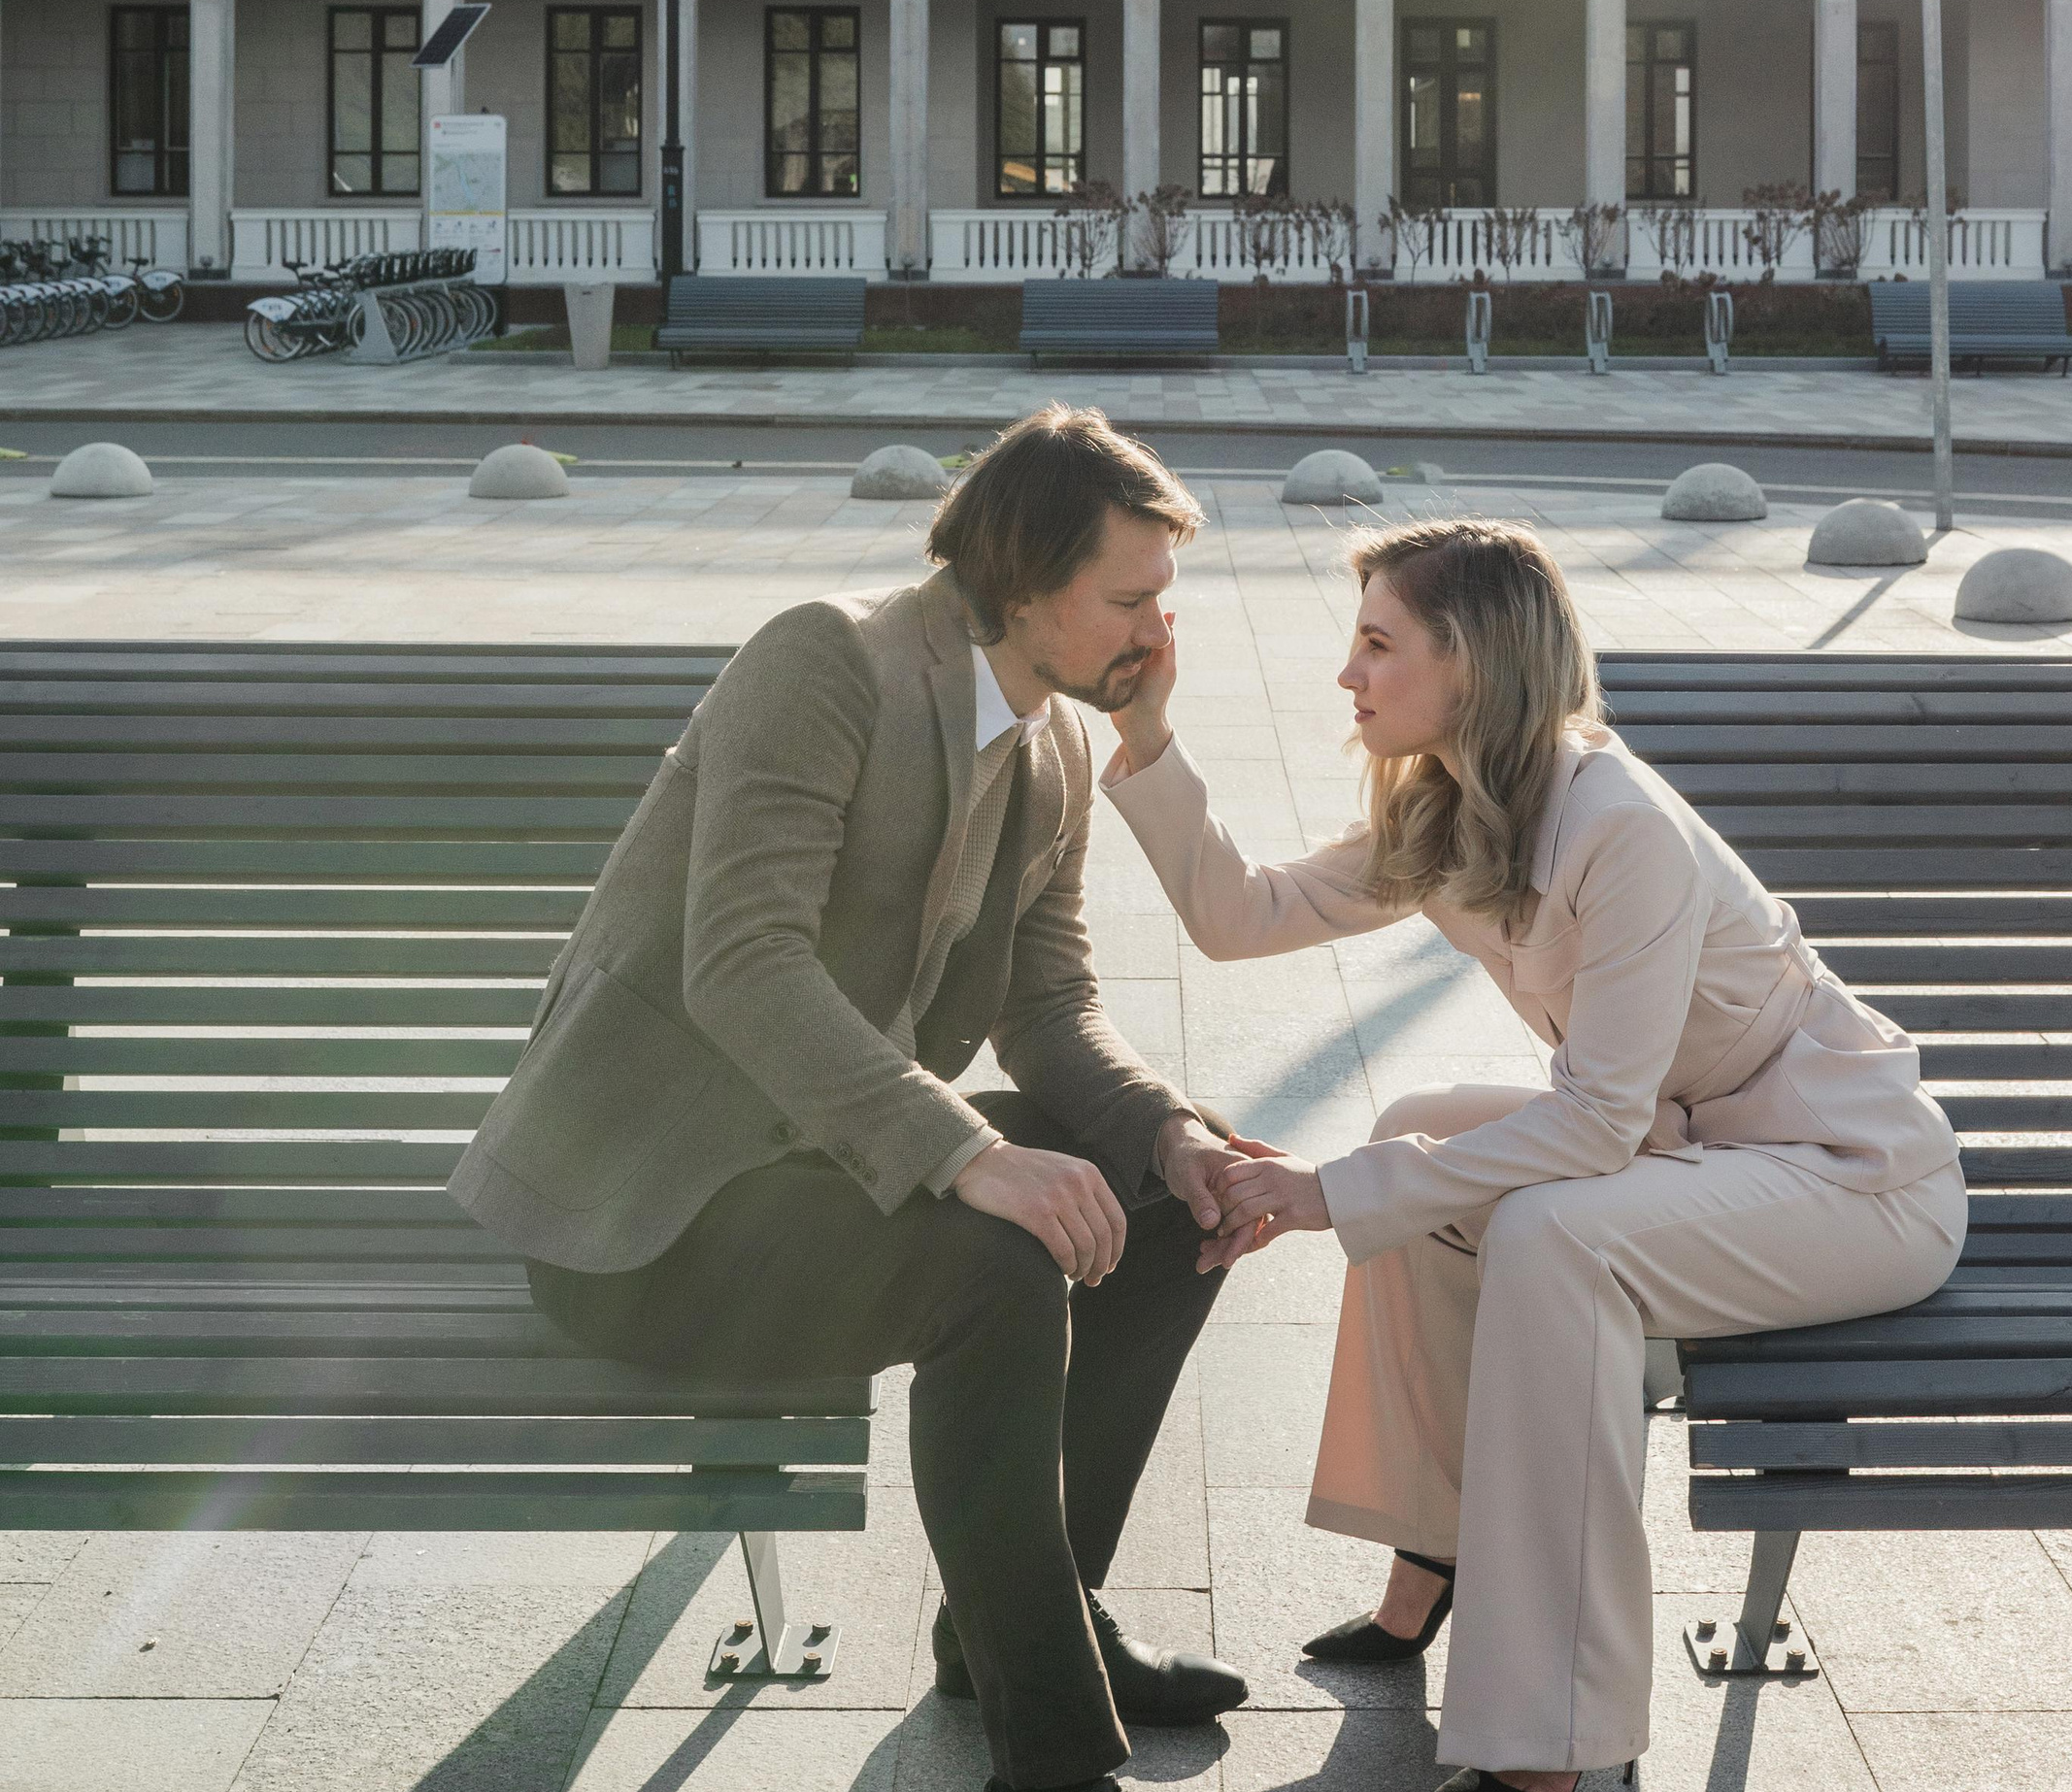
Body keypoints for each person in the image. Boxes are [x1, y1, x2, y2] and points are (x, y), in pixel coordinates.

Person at [452, 406, 1255, 1792]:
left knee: (1173, 1207)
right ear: (1021, 588)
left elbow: (1049, 1004)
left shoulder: (1054, 742)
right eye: (1128, 598)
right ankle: (1056, 1753)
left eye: (1162, 596)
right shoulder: (828, 660)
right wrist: (960, 1153)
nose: (1156, 629)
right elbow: (742, 964)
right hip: (654, 1212)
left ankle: (1023, 1622)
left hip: (808, 1164)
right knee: (999, 1260)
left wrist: (1169, 1130)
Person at [1097, 516, 1966, 1792]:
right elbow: (1241, 917)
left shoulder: (1621, 828)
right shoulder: (1455, 811)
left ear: (1473, 663)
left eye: (1379, 643)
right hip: (1702, 1156)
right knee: (1420, 1132)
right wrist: (1146, 735)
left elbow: (1594, 1127)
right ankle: (1429, 1557)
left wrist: (1323, 1194)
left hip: (1852, 1179)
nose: (1349, 675)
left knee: (1556, 1232)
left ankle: (1559, 1753)